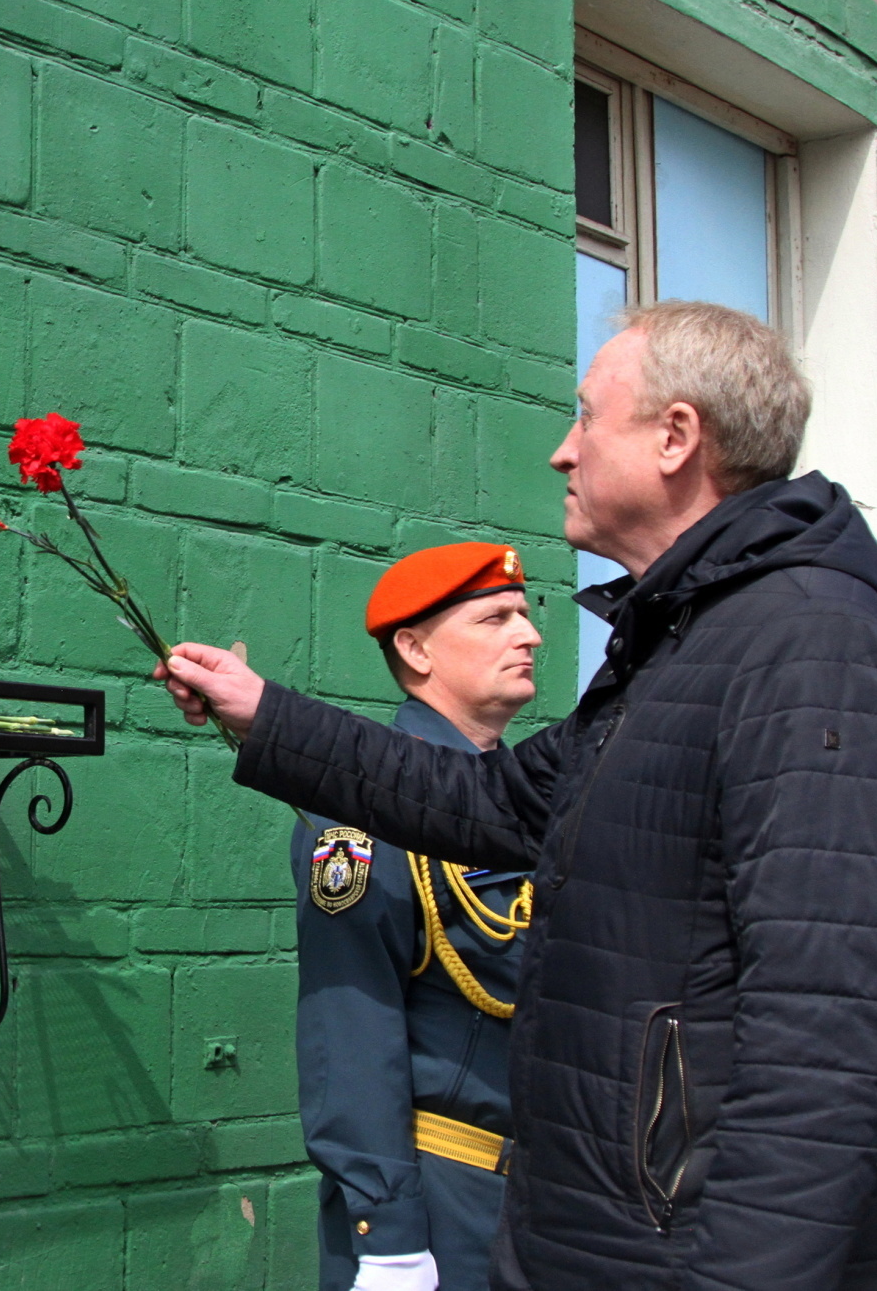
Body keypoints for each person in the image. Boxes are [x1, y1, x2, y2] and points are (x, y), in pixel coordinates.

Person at [162, 301, 877, 1291]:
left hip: (678, 1252)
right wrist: (261, 714)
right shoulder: (685, 639)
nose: (561, 453)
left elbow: (824, 1043)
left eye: (584, 417)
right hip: (591, 1238)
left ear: (673, 437)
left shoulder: (806, 639)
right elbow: (486, 800)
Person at [299, 543, 542, 1291]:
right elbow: (352, 1023)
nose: (528, 635)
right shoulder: (361, 808)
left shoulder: (528, 794)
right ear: (415, 648)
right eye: (495, 616)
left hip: (539, 1199)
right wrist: (389, 1236)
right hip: (441, 1204)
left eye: (527, 615)